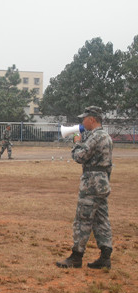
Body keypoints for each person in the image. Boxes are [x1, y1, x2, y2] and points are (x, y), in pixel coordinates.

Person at [56, 106, 113, 269]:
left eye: (84, 119)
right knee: (101, 219)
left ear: (92, 119)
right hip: (102, 183)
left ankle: (76, 256)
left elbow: (79, 157)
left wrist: (77, 142)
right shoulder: (106, 136)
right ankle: (105, 257)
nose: (82, 122)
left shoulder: (95, 137)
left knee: (83, 220)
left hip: (91, 184)